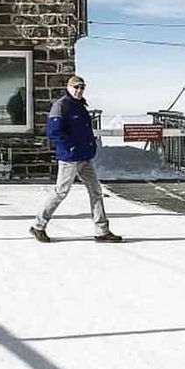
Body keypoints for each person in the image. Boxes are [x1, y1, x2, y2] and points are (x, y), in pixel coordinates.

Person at [30, 75, 122, 243]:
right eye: (76, 87)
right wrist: (70, 147)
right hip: (69, 158)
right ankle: (38, 225)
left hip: (85, 157)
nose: (79, 90)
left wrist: (91, 147)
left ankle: (102, 231)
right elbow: (53, 132)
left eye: (82, 88)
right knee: (61, 192)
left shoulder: (81, 106)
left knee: (96, 191)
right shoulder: (61, 105)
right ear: (69, 87)